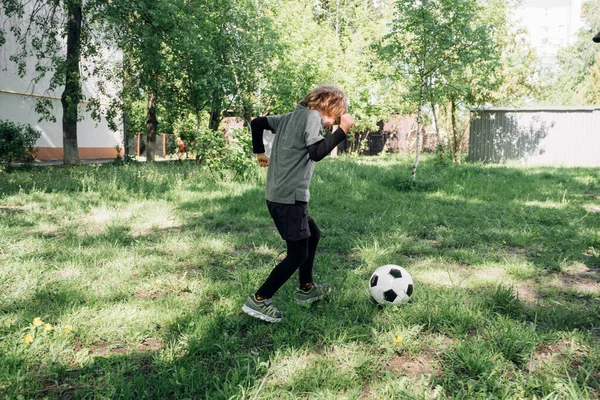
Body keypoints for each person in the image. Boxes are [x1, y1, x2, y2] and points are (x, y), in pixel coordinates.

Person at [242, 85, 355, 323]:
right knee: (297, 253)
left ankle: (306, 288)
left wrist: (259, 152)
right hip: (289, 199)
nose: (330, 125)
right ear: (327, 107)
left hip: (279, 195)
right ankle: (260, 299)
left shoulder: (290, 117)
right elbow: (316, 152)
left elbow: (258, 123)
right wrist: (343, 130)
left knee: (313, 235)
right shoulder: (313, 116)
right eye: (333, 119)